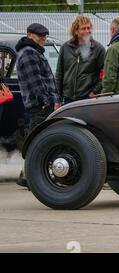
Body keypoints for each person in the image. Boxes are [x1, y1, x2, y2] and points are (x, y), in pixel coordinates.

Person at [15, 23, 61, 188]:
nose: (43, 38)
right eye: (40, 35)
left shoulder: (32, 51)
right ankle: (29, 177)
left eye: (45, 35)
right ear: (29, 35)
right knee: (37, 141)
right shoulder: (28, 53)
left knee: (36, 139)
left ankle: (26, 174)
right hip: (39, 105)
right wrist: (48, 101)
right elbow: (36, 82)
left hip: (39, 104)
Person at [56, 15, 105, 104]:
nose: (87, 31)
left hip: (88, 99)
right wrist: (58, 100)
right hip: (68, 99)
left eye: (88, 28)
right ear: (76, 31)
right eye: (83, 28)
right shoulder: (65, 48)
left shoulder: (98, 49)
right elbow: (59, 74)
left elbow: (104, 73)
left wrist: (95, 91)